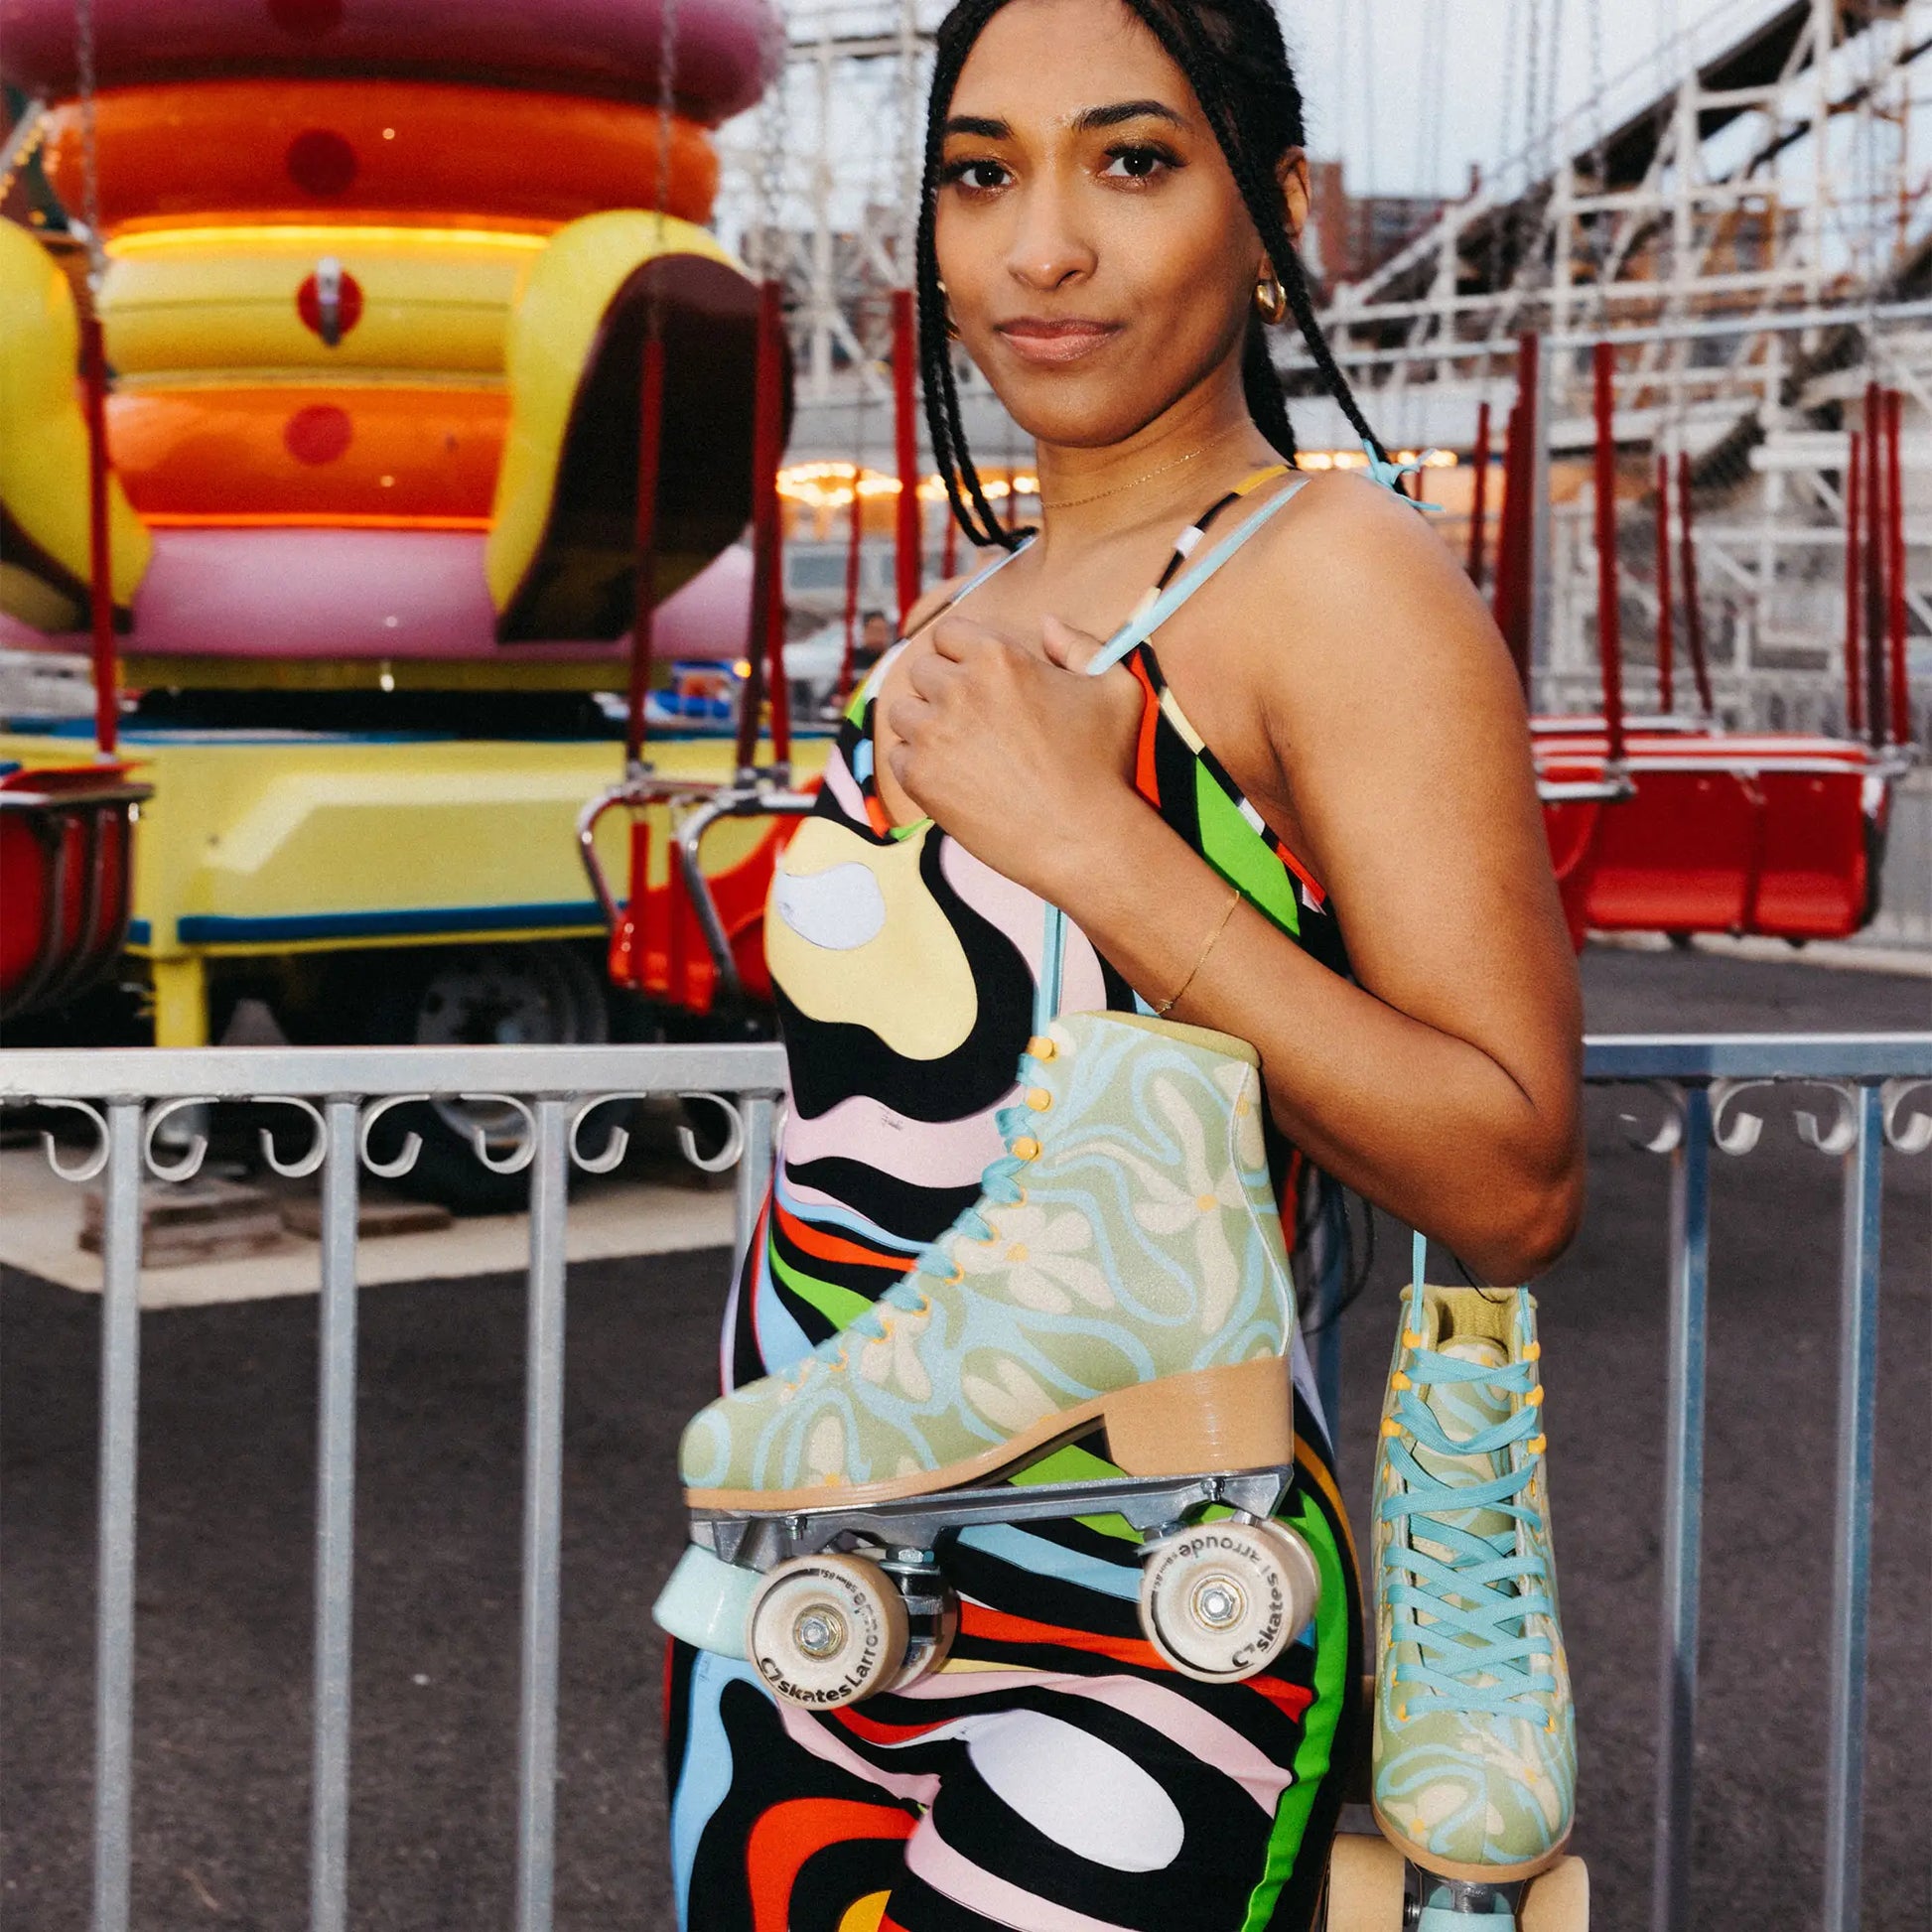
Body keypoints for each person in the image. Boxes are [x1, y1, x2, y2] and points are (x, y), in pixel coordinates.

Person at [662, 2, 1585, 1927]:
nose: (1042, 246)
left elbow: (1506, 1176)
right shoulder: (966, 613)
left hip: (1134, 1604)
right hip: (813, 1585)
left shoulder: (1331, 574)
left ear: (1273, 211)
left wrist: (1097, 842)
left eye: (1134, 161)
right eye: (980, 173)